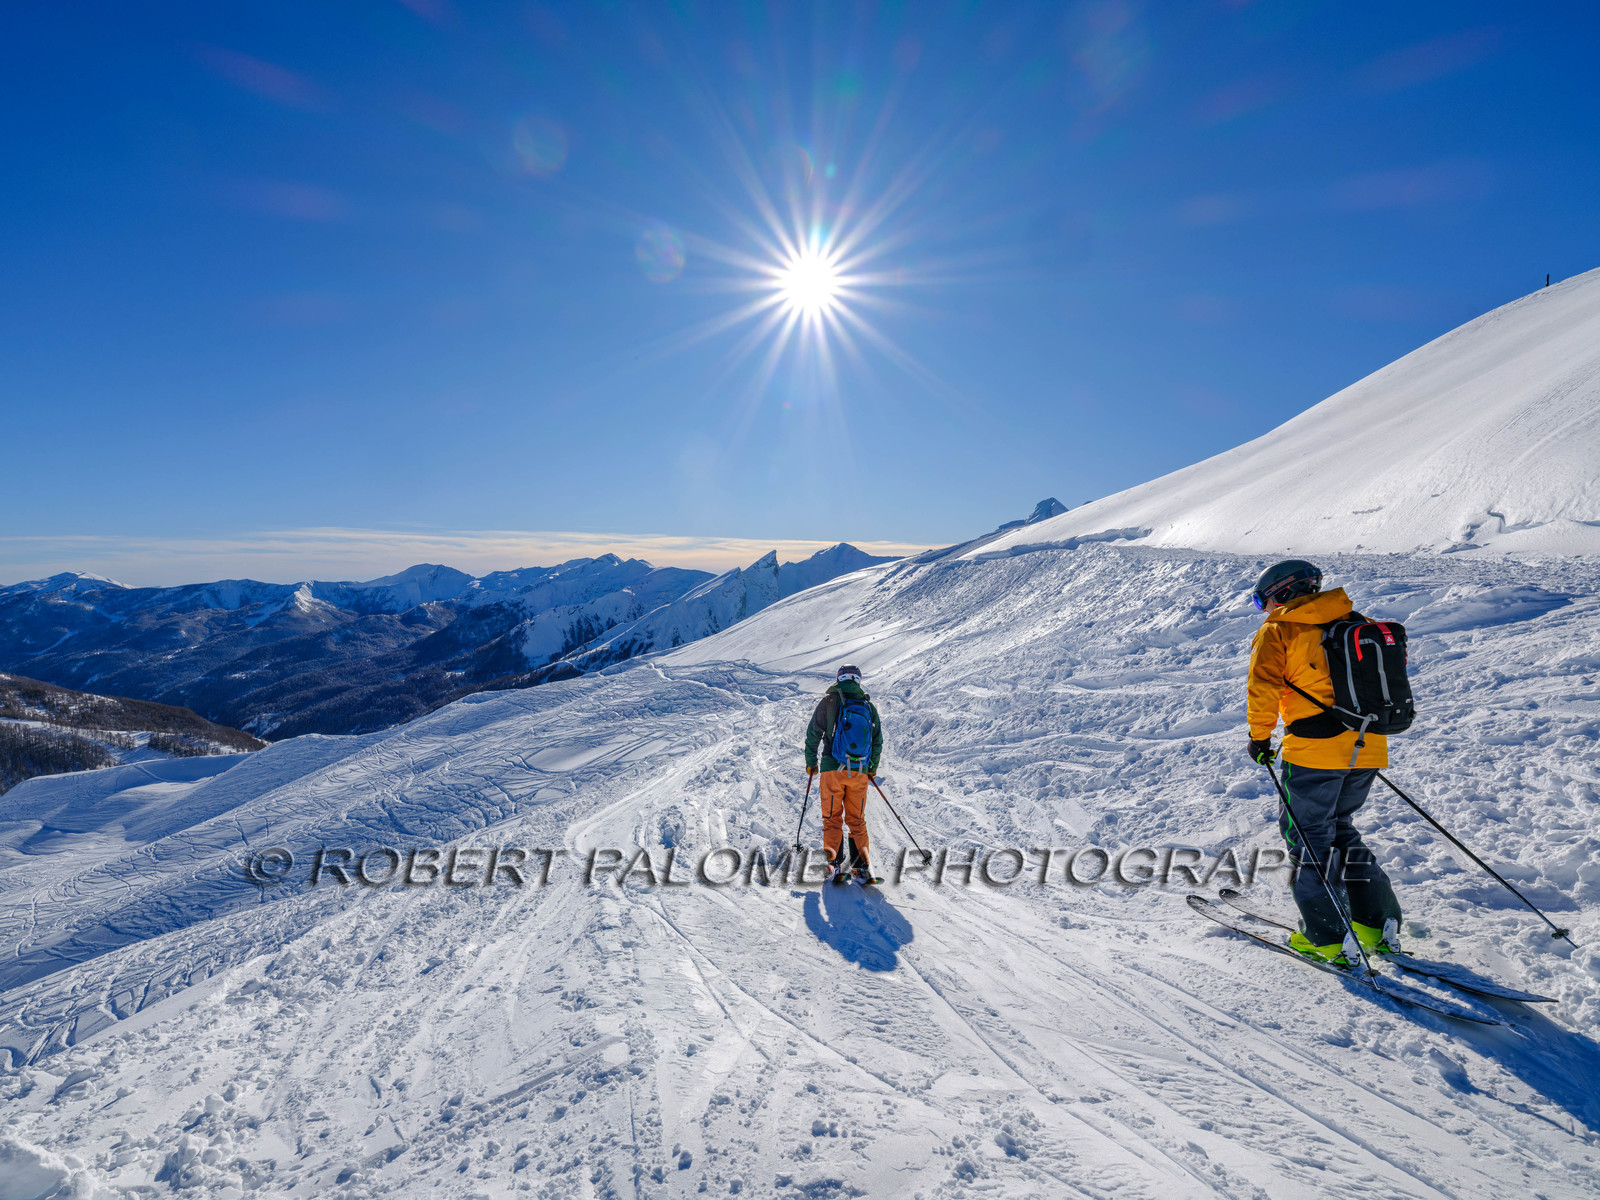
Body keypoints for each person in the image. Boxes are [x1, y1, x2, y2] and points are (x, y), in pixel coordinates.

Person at [1246, 560, 1403, 966]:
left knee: (1308, 837)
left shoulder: (1279, 630)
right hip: (1369, 745)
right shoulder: (1358, 622)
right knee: (1340, 828)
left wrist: (1260, 738)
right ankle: (1376, 922)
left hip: (1315, 750)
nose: (1267, 611)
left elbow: (1263, 687)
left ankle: (1326, 937)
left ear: (1280, 594)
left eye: (1265, 602)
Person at [804, 665, 884, 883]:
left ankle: (835, 864)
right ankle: (862, 867)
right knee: (857, 820)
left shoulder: (829, 702)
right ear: (858, 681)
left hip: (832, 769)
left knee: (832, 819)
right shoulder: (867, 706)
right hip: (859, 772)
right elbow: (877, 741)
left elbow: (813, 734)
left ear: (839, 679)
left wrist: (811, 762)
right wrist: (871, 768)